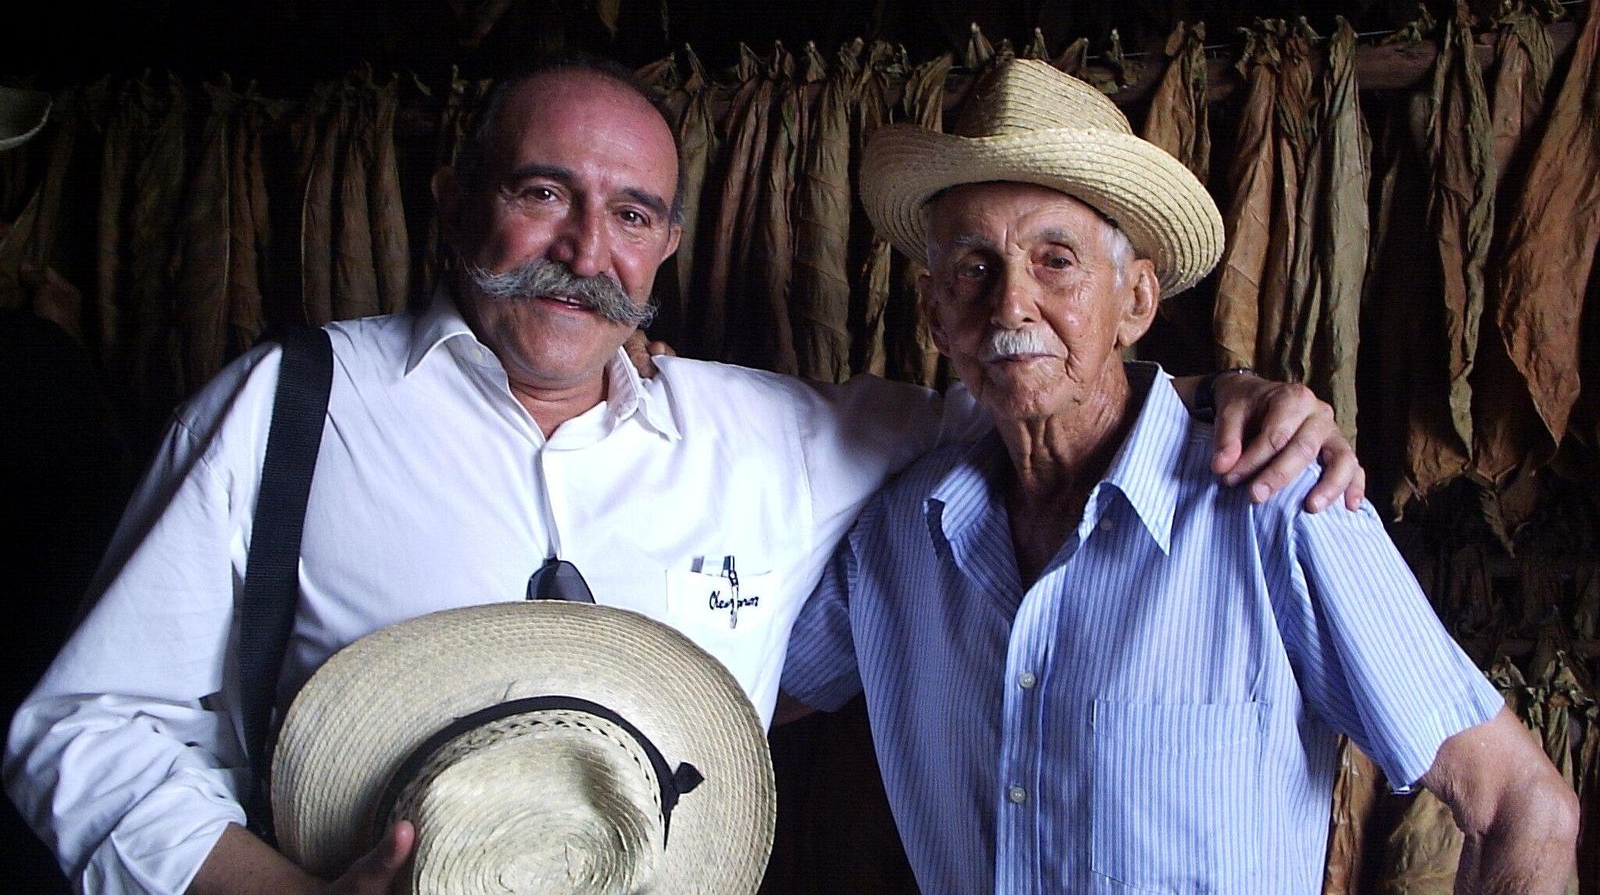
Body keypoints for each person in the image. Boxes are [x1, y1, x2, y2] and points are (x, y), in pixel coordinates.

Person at [6, 53, 1363, 893]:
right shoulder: (286, 409)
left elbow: (1042, 389)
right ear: (455, 201)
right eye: (544, 192)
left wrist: (1219, 403)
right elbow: (81, 729)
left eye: (632, 213)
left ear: (664, 247)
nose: (585, 249)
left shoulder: (780, 437)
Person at [779, 58, 1580, 893]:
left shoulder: (1277, 505)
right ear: (936, 312)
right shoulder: (901, 536)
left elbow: (1525, 805)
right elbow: (747, 697)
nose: (1010, 305)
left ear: (1136, 303)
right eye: (974, 269)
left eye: (1057, 261)